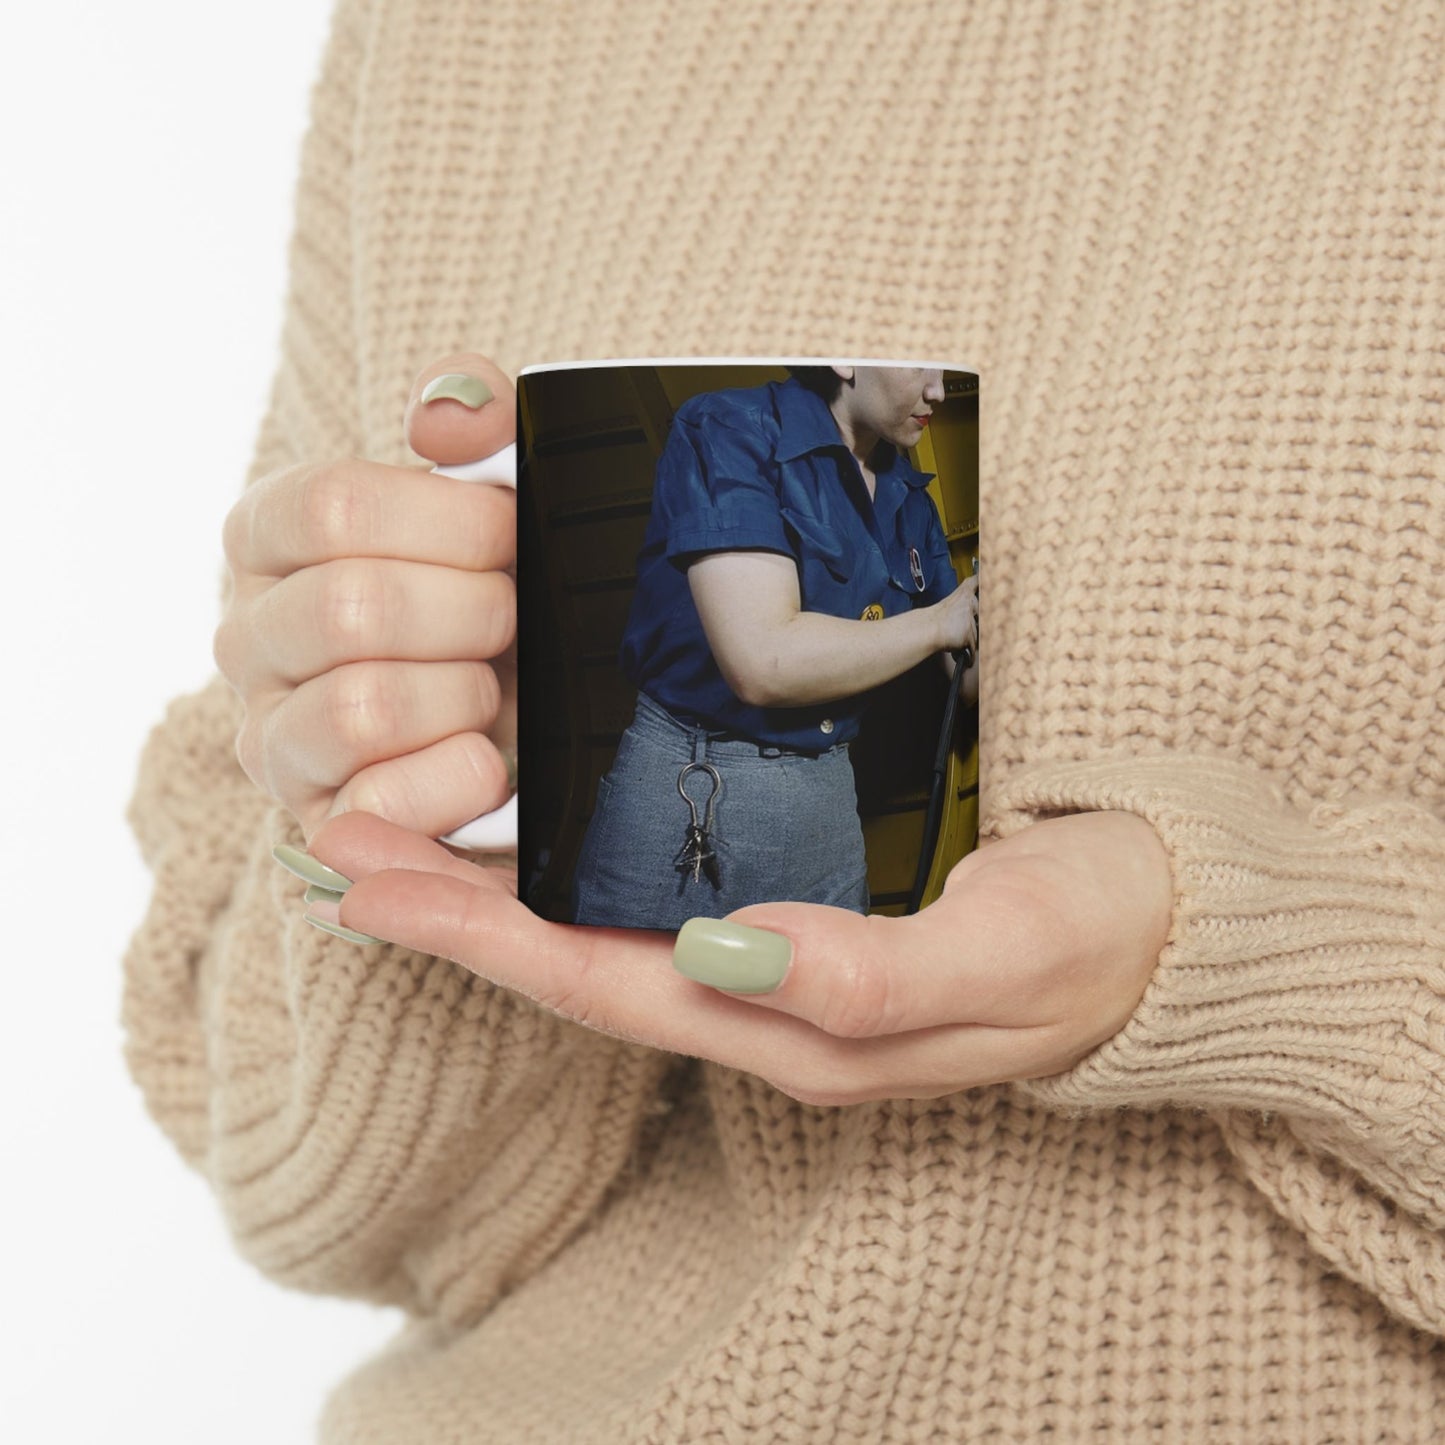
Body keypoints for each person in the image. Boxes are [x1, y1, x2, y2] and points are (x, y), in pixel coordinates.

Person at [124, 1, 1445, 1440]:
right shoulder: (456, 43)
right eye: (914, 378)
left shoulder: (905, 473)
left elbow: (852, 678)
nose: (935, 389)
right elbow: (284, 1168)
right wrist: (439, 797)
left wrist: (1250, 951)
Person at [570, 365, 979, 930]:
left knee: (824, 1013)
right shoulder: (730, 430)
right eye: (922, 362)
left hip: (828, 805)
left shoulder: (909, 496)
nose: (937, 389)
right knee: (635, 1005)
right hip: (695, 788)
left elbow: (971, 678)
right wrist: (939, 624)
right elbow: (764, 662)